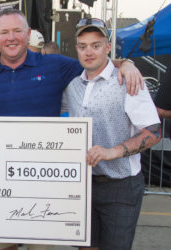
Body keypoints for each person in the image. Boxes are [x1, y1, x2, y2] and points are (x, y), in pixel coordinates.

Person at [0, 8, 144, 250]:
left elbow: (97, 63)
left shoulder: (55, 65)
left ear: (28, 34)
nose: (11, 38)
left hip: (44, 185)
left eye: (17, 31)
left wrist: (125, 64)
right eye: (4, 32)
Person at [62, 18, 161, 250]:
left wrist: (112, 152)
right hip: (83, 184)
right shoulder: (73, 87)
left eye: (96, 45)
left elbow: (153, 131)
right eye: (83, 46)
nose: (89, 52)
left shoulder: (128, 81)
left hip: (121, 186)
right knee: (86, 246)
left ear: (107, 47)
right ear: (76, 48)